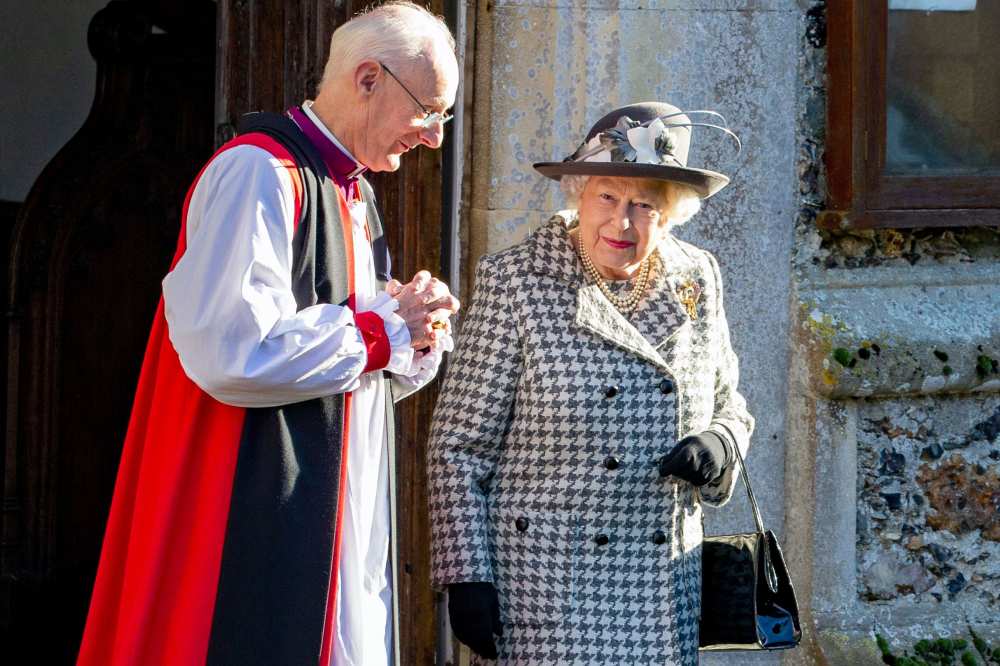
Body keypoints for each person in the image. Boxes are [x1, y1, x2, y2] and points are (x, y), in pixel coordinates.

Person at [77, 3, 459, 665]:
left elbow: (343, 361)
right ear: (367, 79)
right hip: (245, 502)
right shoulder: (257, 173)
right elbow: (233, 351)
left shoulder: (352, 193)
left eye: (442, 119)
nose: (431, 138)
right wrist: (378, 334)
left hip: (331, 507)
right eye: (426, 111)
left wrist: (411, 330)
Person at [427, 101, 755, 664]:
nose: (620, 222)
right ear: (579, 192)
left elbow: (732, 405)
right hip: (548, 593)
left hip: (662, 581)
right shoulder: (516, 281)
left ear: (671, 213)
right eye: (606, 196)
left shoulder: (697, 277)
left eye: (643, 205)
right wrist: (465, 576)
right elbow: (457, 448)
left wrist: (720, 445)